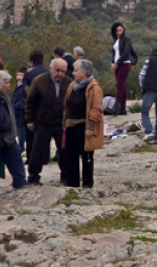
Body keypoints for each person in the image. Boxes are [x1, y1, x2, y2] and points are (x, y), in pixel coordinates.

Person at [25, 58, 72, 185]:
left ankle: (66, 177)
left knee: (65, 151)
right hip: (43, 122)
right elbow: (30, 102)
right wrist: (29, 119)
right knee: (38, 151)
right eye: (57, 70)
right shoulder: (39, 81)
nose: (60, 74)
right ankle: (33, 177)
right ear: (50, 69)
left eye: (63, 71)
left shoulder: (69, 83)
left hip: (61, 124)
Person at [61, 60, 104, 188]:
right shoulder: (72, 86)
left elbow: (96, 108)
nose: (73, 73)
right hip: (71, 126)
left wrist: (91, 127)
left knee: (87, 156)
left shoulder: (94, 87)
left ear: (84, 72)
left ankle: (87, 183)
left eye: (75, 70)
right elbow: (66, 105)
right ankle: (72, 183)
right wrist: (64, 121)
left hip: (84, 126)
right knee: (71, 155)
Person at [0, 71, 28, 190]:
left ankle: (20, 181)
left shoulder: (3, 96)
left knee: (15, 155)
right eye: (6, 83)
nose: (9, 85)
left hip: (7, 136)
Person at [109, 22, 137, 116]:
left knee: (119, 85)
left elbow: (126, 52)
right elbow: (114, 53)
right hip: (117, 64)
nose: (119, 32)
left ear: (123, 29)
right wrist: (113, 62)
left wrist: (118, 63)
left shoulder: (126, 39)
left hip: (124, 64)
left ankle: (116, 107)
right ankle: (122, 108)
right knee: (123, 85)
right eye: (117, 31)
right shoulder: (116, 40)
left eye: (120, 30)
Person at [11, 68, 29, 154]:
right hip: (16, 113)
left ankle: (22, 147)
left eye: (21, 75)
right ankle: (20, 147)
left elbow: (23, 100)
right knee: (18, 131)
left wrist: (14, 106)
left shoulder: (23, 87)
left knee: (22, 132)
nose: (19, 77)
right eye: (18, 75)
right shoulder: (17, 86)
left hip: (21, 113)